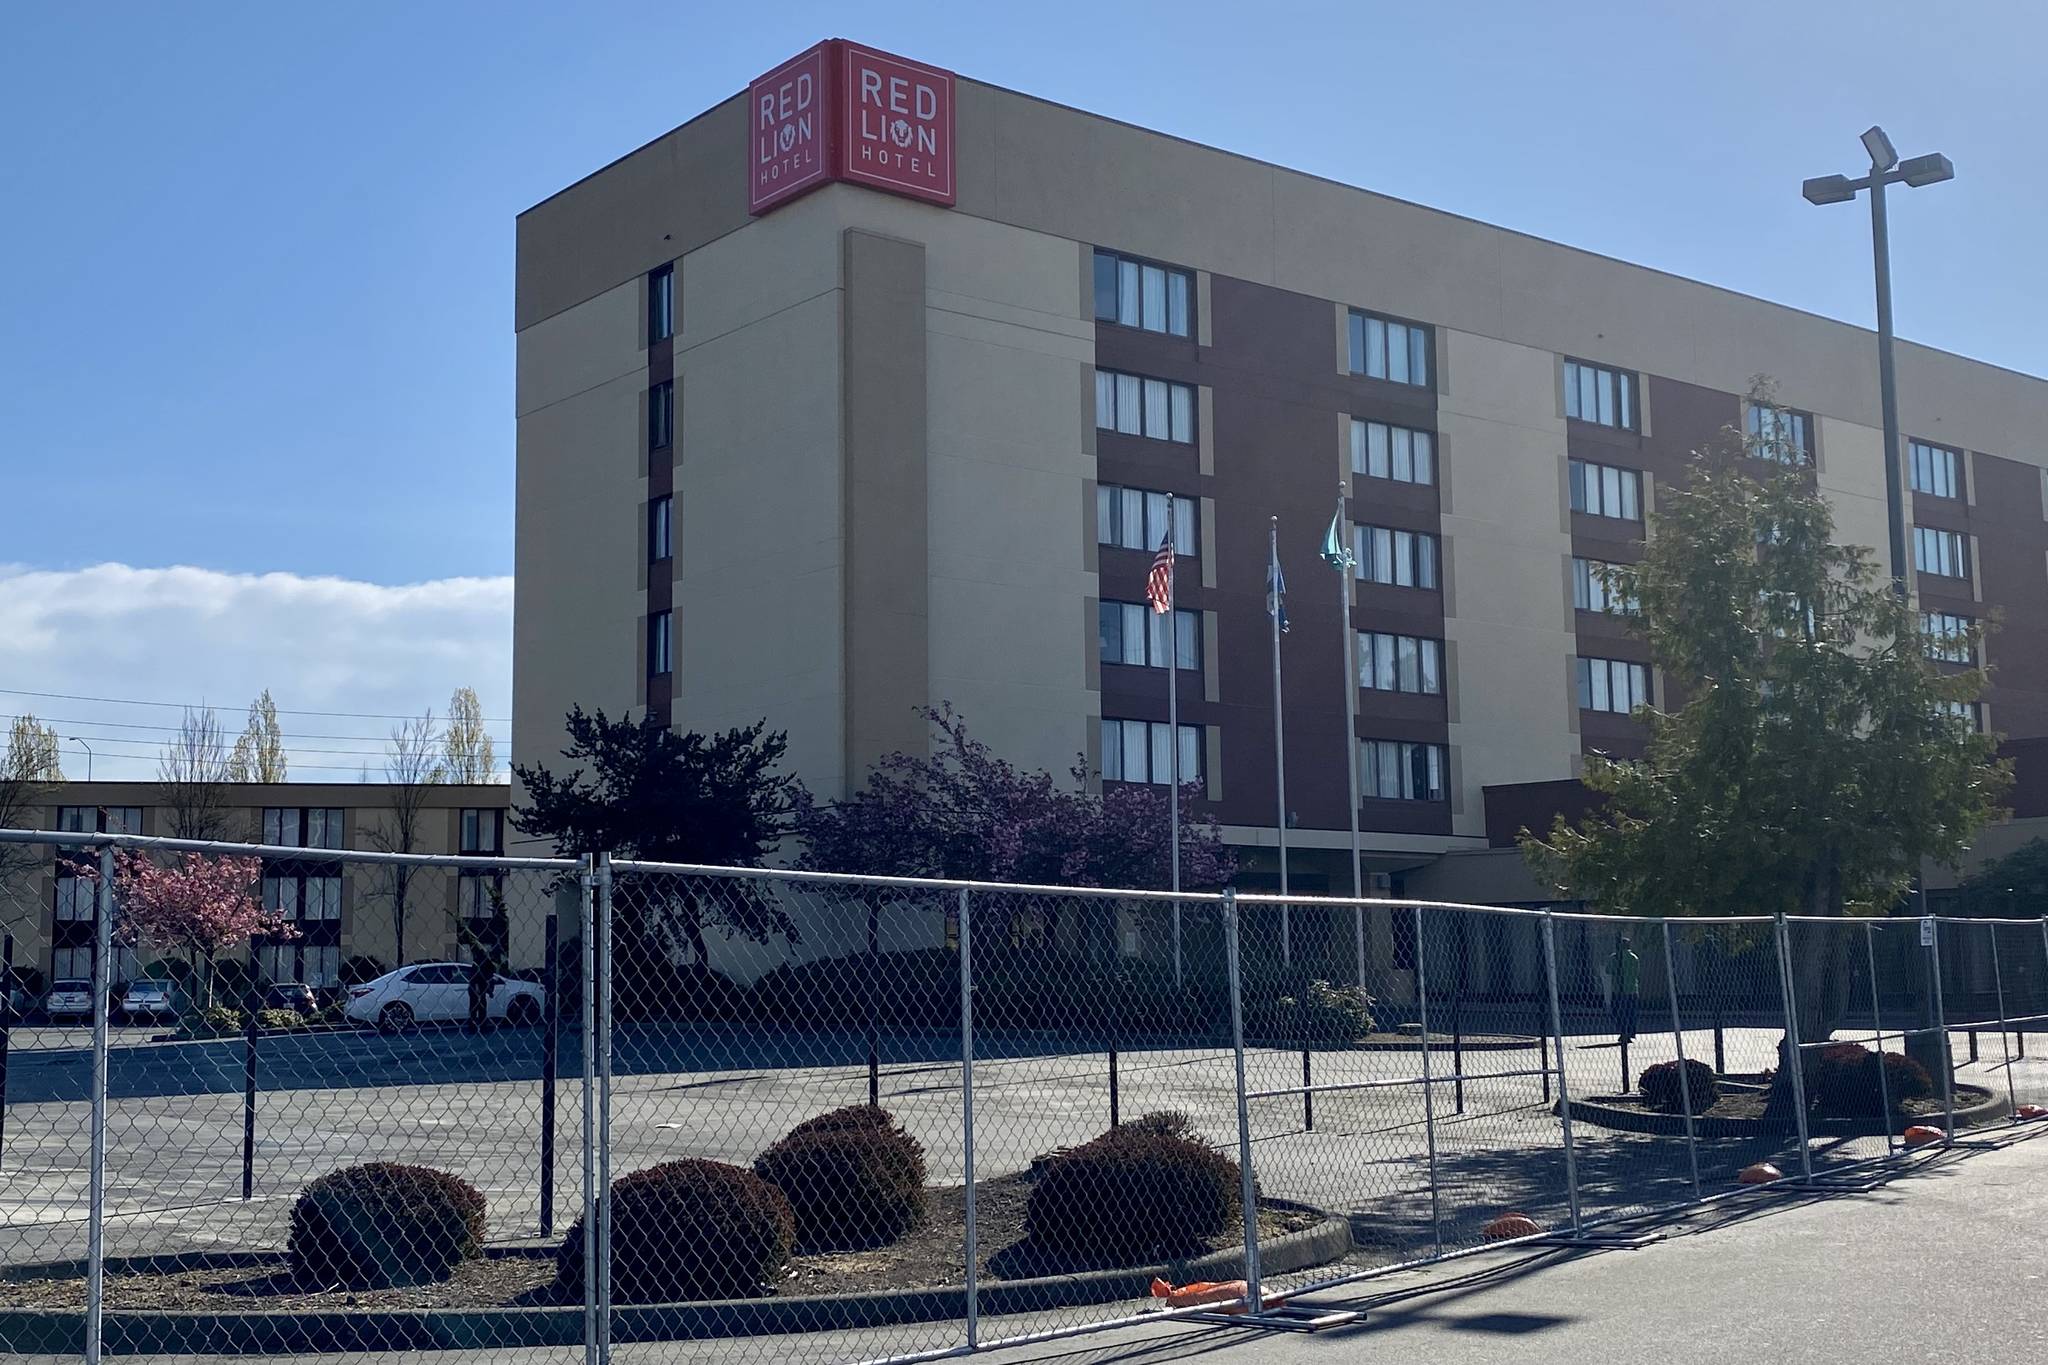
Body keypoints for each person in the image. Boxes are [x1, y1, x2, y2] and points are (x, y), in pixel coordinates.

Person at [1607, 933, 1642, 1045]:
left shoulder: (1614, 957)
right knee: (1631, 1012)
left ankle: (1622, 1031)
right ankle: (1630, 1032)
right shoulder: (1634, 958)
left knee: (1618, 1011)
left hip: (1618, 990)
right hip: (1632, 989)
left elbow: (1608, 970)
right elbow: (1636, 972)